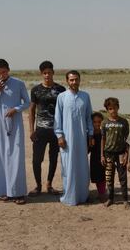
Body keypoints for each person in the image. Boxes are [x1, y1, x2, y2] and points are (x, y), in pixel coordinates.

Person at [0, 59, 30, 204]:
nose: (2, 75)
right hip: (0, 125)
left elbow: (27, 103)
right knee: (1, 157)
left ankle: (18, 193)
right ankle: (4, 191)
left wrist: (16, 109)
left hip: (15, 124)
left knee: (16, 156)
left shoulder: (19, 83)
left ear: (9, 70)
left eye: (4, 72)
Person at [54, 70, 93, 206]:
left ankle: (83, 195)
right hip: (67, 139)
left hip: (82, 138)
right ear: (67, 81)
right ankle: (69, 196)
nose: (74, 82)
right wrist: (59, 135)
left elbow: (89, 117)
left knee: (82, 165)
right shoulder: (62, 97)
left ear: (79, 80)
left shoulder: (85, 96)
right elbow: (57, 118)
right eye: (71, 80)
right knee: (68, 166)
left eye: (76, 79)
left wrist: (91, 134)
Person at [28, 61, 65, 196]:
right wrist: (31, 130)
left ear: (53, 73)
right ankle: (38, 186)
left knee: (53, 158)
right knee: (37, 159)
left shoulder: (61, 90)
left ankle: (49, 184)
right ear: (41, 74)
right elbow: (31, 110)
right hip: (40, 131)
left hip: (56, 131)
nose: (47, 75)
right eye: (44, 73)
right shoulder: (35, 90)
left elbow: (64, 111)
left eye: (49, 72)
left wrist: (64, 132)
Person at [100, 97, 130, 208]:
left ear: (118, 107)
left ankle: (125, 200)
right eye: (110, 109)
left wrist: (127, 154)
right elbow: (102, 139)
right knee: (109, 177)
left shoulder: (123, 122)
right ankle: (110, 198)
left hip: (121, 153)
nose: (113, 111)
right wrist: (102, 155)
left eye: (115, 108)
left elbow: (127, 140)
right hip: (108, 153)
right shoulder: (104, 123)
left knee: (123, 177)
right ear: (107, 110)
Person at [89, 112, 106, 201]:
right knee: (95, 175)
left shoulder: (103, 133)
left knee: (102, 176)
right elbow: (88, 150)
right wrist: (90, 144)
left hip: (102, 157)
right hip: (93, 158)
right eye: (94, 122)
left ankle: (102, 193)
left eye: (99, 122)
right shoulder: (90, 135)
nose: (97, 124)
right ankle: (100, 193)